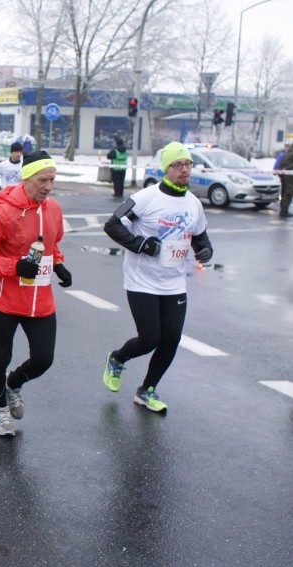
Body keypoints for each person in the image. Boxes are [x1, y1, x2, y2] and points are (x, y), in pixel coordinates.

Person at [102, 141, 212, 412]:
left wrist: (205, 250)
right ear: (166, 169)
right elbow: (112, 225)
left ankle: (147, 389)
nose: (184, 170)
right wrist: (141, 244)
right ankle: (118, 358)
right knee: (150, 338)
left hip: (174, 282)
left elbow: (199, 235)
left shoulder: (194, 203)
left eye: (188, 164)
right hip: (142, 281)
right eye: (178, 165)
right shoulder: (146, 198)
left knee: (171, 339)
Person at [0, 150, 72, 437]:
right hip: (7, 300)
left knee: (44, 358)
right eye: (43, 179)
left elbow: (54, 246)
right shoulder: (4, 211)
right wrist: (14, 266)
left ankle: (13, 383)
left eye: (52, 180)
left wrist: (60, 265)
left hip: (42, 301)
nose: (49, 186)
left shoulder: (53, 209)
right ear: (27, 178)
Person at [276, 146, 293, 218]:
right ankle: (284, 210)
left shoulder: (287, 153)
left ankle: (283, 209)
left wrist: (281, 172)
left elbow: (281, 164)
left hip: (284, 175)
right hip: (289, 176)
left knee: (284, 192)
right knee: (288, 193)